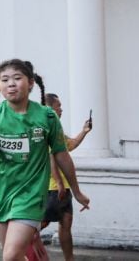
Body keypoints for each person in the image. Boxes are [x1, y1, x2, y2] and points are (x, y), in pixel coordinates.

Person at [0, 59, 90, 261]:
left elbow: (61, 154)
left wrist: (76, 191)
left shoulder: (47, 116)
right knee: (15, 257)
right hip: (2, 195)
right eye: (5, 79)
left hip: (32, 195)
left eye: (17, 78)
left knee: (10, 256)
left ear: (31, 83)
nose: (11, 83)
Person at [40, 93, 92, 261]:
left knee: (65, 222)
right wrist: (60, 183)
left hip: (63, 187)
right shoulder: (45, 128)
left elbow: (71, 145)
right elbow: (52, 158)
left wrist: (84, 131)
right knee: (42, 223)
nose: (61, 110)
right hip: (52, 187)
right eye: (58, 106)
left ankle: (69, 259)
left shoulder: (58, 131)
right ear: (49, 109)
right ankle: (18, 246)